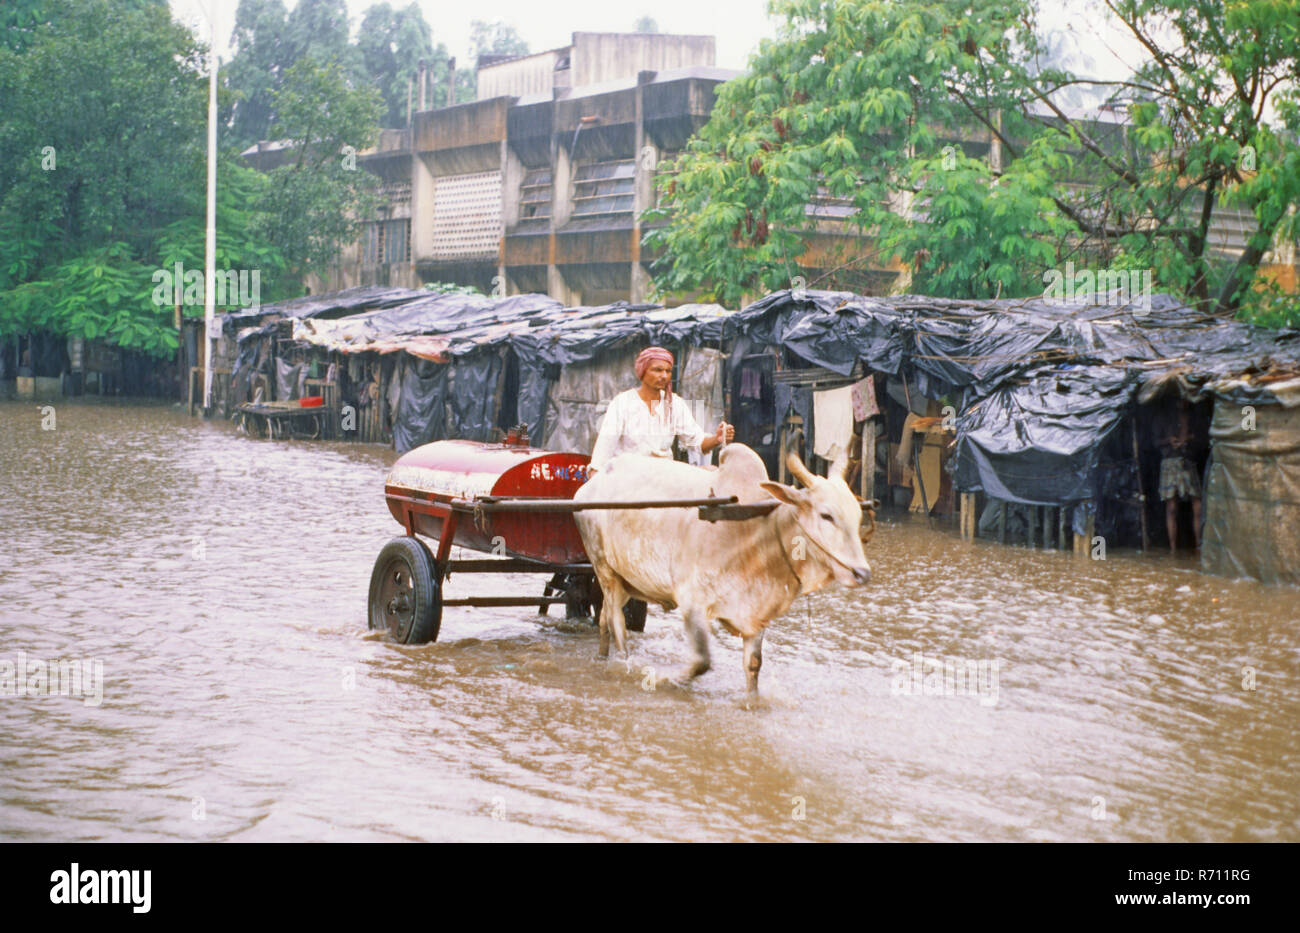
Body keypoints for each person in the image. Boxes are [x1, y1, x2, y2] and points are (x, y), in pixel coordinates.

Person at [588, 346, 734, 472]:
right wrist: (596, 480)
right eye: (657, 370)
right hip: (629, 477)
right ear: (643, 372)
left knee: (711, 472)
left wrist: (717, 439)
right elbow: (603, 450)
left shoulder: (674, 404)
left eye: (668, 371)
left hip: (663, 479)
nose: (664, 376)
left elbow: (697, 442)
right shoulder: (622, 403)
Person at [1157, 396, 1202, 552]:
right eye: (1180, 399)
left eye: (1185, 399)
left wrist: (1189, 438)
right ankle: (1173, 547)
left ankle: (1198, 545)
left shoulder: (1193, 418)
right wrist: (1169, 441)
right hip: (1170, 462)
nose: (1184, 402)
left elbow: (1203, 437)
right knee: (1172, 507)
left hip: (1188, 462)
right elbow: (1154, 441)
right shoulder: (1164, 418)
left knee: (1197, 505)